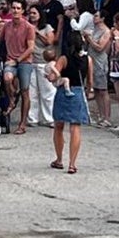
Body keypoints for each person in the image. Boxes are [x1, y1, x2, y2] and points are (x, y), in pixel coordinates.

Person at [0, 0, 35, 135]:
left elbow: (31, 48)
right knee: (7, 78)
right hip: (10, 59)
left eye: (18, 8)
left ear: (22, 10)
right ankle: (12, 99)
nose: (15, 11)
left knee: (25, 91)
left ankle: (22, 124)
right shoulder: (7, 25)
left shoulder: (28, 27)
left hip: (24, 61)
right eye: (14, 8)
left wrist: (18, 60)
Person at [49, 31, 92, 174]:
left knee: (59, 126)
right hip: (78, 92)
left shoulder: (63, 58)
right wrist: (88, 91)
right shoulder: (88, 60)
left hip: (63, 92)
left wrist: (52, 69)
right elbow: (89, 82)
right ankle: (72, 163)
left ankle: (59, 159)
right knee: (75, 127)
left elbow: (52, 77)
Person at [27, 4, 55, 127]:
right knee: (31, 93)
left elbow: (50, 42)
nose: (32, 16)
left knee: (47, 92)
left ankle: (49, 118)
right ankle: (32, 118)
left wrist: (36, 32)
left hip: (44, 62)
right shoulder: (26, 26)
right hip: (31, 62)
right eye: (30, 13)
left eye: (34, 13)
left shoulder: (47, 27)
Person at [84, 10, 112, 127]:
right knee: (96, 89)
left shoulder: (106, 31)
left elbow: (100, 47)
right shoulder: (94, 29)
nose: (94, 18)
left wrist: (89, 39)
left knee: (103, 90)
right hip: (92, 61)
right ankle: (100, 116)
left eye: (96, 16)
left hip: (100, 62)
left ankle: (107, 117)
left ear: (102, 18)